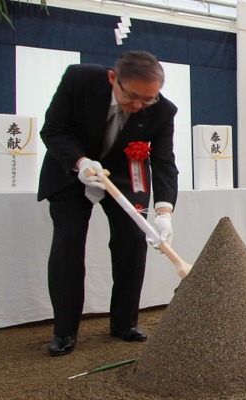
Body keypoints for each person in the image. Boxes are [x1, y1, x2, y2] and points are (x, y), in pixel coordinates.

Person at [37, 51, 179, 357]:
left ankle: (124, 322)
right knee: (69, 241)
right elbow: (53, 130)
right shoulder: (79, 80)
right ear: (113, 79)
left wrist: (164, 213)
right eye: (132, 96)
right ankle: (64, 331)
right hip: (70, 170)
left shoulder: (163, 110)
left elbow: (164, 161)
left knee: (132, 241)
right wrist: (81, 162)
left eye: (148, 99)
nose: (139, 105)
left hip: (127, 175)